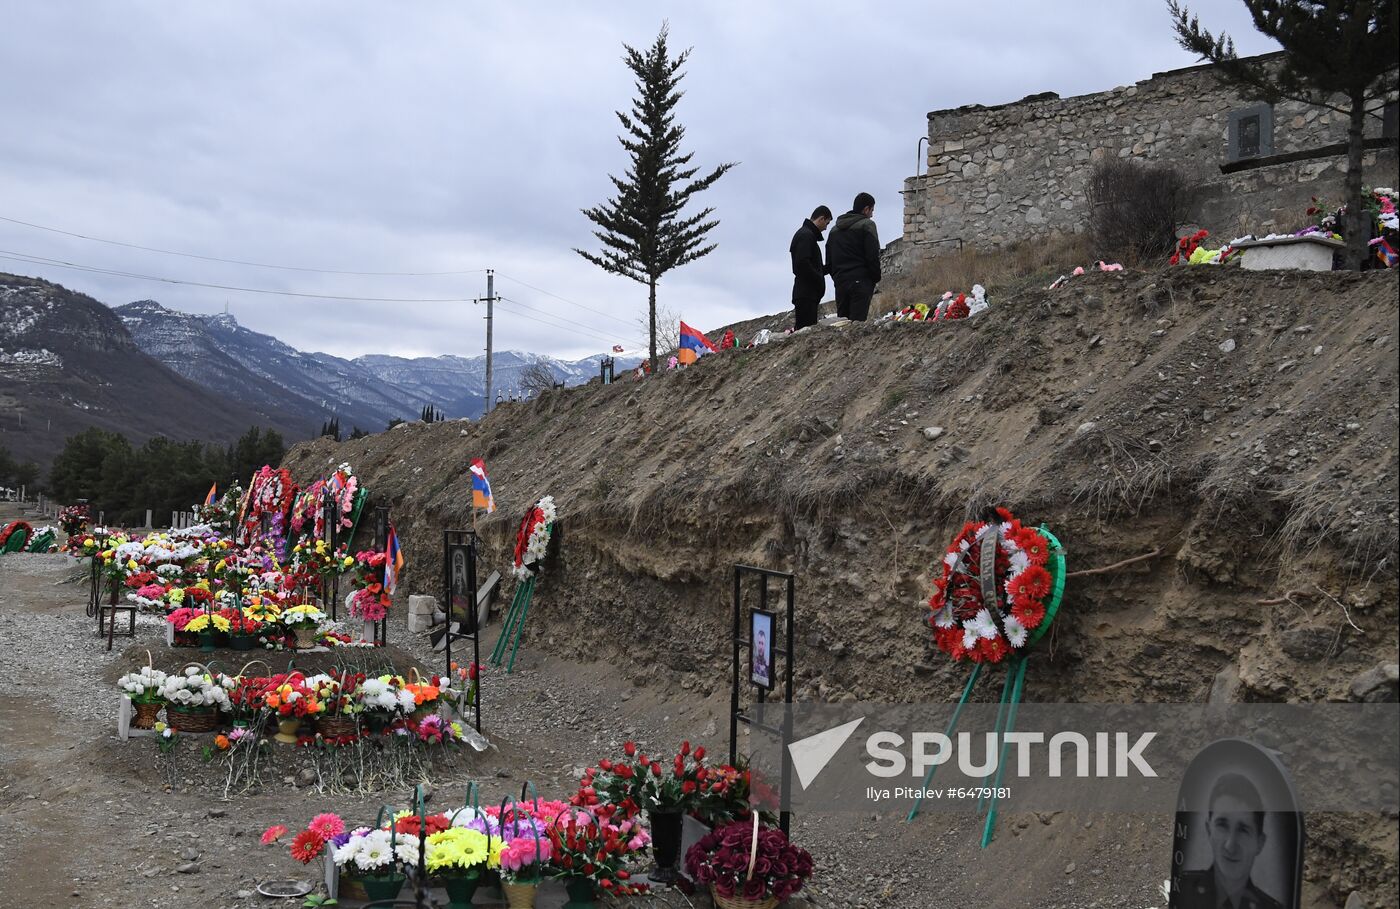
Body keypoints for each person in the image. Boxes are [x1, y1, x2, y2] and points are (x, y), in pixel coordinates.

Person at [1178, 773, 1283, 909]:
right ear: (1209, 830)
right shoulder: (1181, 889)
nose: (1230, 846)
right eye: (1222, 825)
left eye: (1243, 830)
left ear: (1259, 843)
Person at [825, 192, 881, 321]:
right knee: (857, 327)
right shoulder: (867, 225)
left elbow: (829, 261)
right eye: (872, 210)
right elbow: (872, 255)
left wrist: (838, 277)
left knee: (843, 325)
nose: (872, 214)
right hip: (861, 282)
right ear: (866, 209)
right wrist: (874, 278)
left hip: (841, 283)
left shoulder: (834, 230)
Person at [789, 205, 832, 329]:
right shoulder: (805, 236)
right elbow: (802, 265)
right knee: (804, 332)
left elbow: (810, 266)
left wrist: (827, 269)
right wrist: (819, 278)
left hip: (807, 294)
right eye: (827, 223)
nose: (825, 228)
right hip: (806, 295)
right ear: (821, 219)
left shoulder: (807, 235)